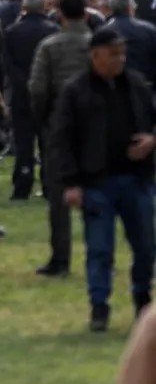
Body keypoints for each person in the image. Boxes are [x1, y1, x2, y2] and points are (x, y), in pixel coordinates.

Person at [50, 27, 156, 333]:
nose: (119, 59)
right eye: (113, 54)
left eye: (122, 53)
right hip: (96, 183)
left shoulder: (136, 85)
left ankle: (142, 299)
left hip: (137, 180)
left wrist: (151, 141)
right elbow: (62, 140)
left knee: (145, 246)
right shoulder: (76, 91)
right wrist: (70, 183)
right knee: (100, 248)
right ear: (95, 55)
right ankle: (99, 307)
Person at [28, 0, 94, 278]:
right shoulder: (97, 46)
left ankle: (61, 258)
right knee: (98, 191)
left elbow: (38, 88)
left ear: (60, 15)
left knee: (58, 195)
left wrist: (43, 118)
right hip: (95, 125)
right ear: (87, 14)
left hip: (59, 124)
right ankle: (99, 252)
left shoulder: (50, 46)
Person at [4, 0, 58, 201]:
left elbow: (7, 63)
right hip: (47, 94)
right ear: (45, 5)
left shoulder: (12, 31)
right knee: (48, 142)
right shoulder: (52, 30)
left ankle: (22, 185)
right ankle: (48, 183)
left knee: (24, 142)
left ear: (23, 6)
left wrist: (22, 81)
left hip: (21, 93)